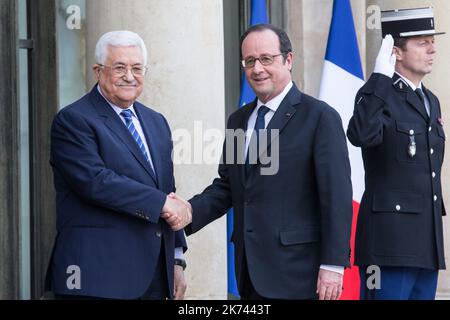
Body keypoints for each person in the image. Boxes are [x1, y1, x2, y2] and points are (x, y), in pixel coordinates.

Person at [162, 24, 353, 300]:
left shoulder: (319, 117)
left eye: (266, 58)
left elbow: (336, 196)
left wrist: (333, 265)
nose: (257, 69)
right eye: (249, 61)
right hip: (250, 271)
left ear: (288, 60)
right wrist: (189, 211)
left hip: (300, 273)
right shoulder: (239, 120)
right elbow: (228, 187)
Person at [45, 30, 191, 300]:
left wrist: (177, 258)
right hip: (98, 278)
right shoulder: (73, 120)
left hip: (155, 278)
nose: (129, 75)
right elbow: (95, 182)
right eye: (119, 67)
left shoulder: (156, 121)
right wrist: (161, 203)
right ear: (98, 71)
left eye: (137, 68)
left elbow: (167, 190)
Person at [347, 7, 446, 300]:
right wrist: (379, 78)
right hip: (388, 246)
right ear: (397, 52)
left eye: (432, 41)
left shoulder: (430, 100)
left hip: (425, 244)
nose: (432, 49)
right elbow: (361, 135)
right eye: (421, 42)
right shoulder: (377, 94)